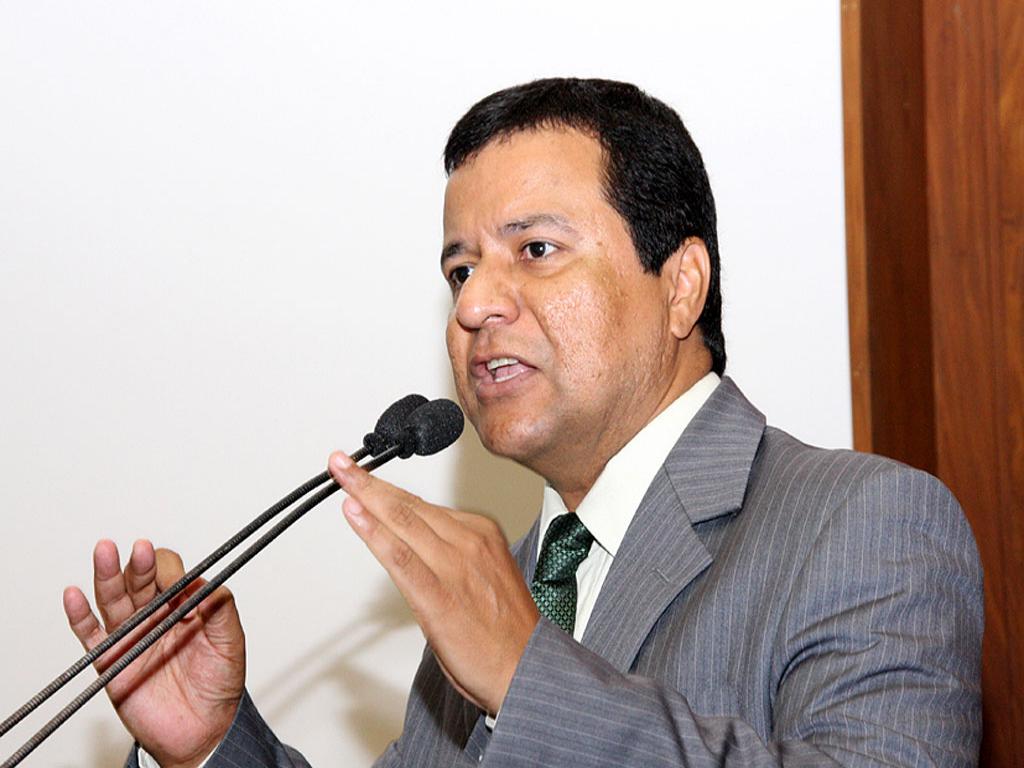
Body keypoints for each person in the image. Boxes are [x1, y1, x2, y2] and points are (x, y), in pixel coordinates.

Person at [63, 78, 983, 768]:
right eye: (460, 270)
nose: (473, 306)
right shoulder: (513, 585)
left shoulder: (865, 523)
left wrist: (526, 677)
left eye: (535, 249)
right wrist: (214, 745)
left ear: (681, 286)